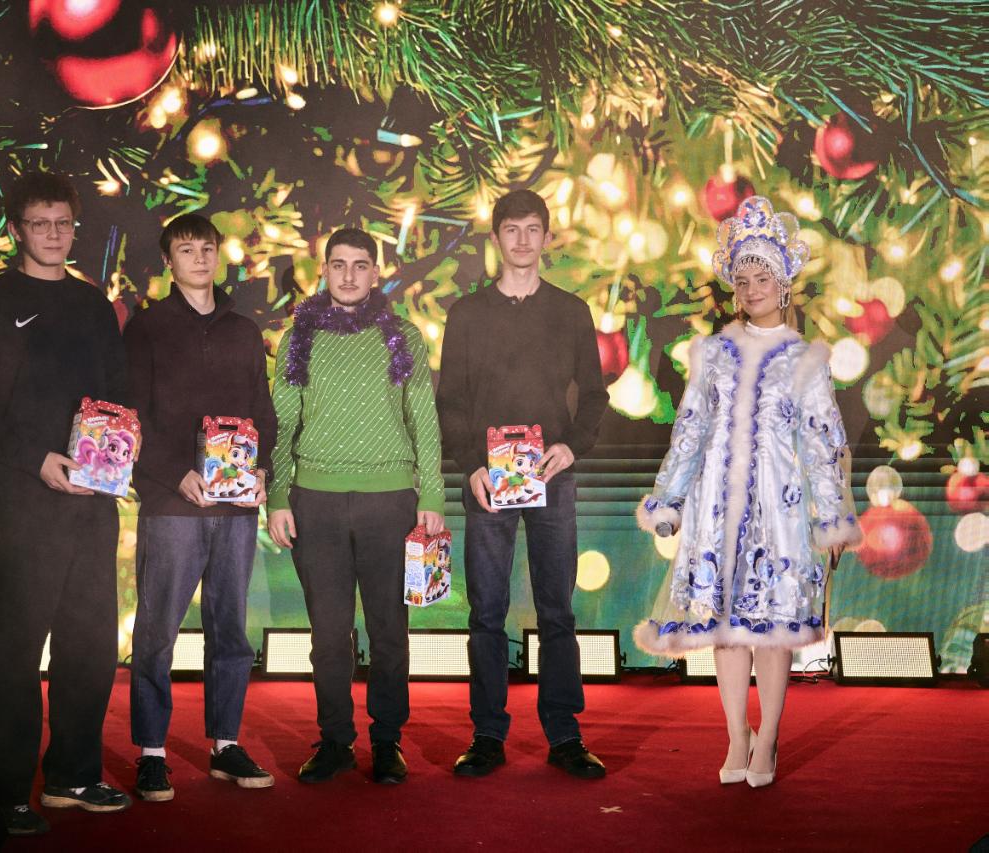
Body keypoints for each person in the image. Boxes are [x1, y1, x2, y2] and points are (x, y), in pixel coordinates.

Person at [634, 195, 861, 787]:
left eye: (763, 278)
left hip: (779, 509)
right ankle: (738, 736)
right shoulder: (713, 353)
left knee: (772, 628)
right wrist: (669, 500)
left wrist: (833, 515)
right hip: (715, 507)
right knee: (726, 627)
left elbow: (822, 441)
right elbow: (690, 429)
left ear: (783, 284)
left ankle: (770, 740)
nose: (752, 288)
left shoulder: (805, 357)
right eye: (743, 279)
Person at [0, 170, 132, 836]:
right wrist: (37, 459)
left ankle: (72, 776)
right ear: (16, 229)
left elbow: (115, 393)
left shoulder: (91, 303)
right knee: (12, 652)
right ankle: (3, 792)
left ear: (74, 228)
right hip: (25, 503)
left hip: (92, 502)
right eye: (39, 223)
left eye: (63, 223)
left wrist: (117, 448)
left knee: (90, 646)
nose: (53, 234)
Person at [437, 189, 609, 780]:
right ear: (496, 238)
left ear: (547, 237)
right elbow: (450, 402)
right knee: (486, 610)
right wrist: (471, 465)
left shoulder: (570, 311)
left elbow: (595, 395)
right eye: (511, 230)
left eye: (533, 229)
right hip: (488, 478)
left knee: (557, 608)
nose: (522, 240)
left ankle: (565, 734)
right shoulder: (467, 314)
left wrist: (571, 446)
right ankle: (487, 733)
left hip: (550, 477)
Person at [267, 228, 444, 785]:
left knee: (389, 631)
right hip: (315, 501)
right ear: (323, 270)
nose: (348, 275)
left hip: (390, 501)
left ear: (375, 272)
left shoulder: (403, 336)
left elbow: (424, 419)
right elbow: (282, 422)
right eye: (338, 264)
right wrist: (277, 495)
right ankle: (335, 741)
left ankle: (387, 741)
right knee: (328, 634)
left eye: (360, 264)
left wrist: (432, 495)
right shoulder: (299, 336)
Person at [124, 214, 278, 802]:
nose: (199, 258)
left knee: (230, 629)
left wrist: (260, 470)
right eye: (186, 250)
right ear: (169, 261)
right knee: (157, 629)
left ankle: (225, 744)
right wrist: (174, 474)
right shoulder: (147, 328)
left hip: (235, 506)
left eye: (207, 248)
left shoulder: (243, 330)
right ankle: (151, 752)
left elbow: (261, 410)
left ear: (219, 255)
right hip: (172, 503)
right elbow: (132, 415)